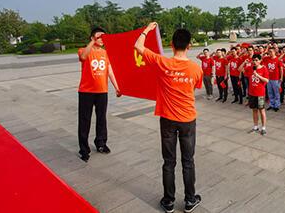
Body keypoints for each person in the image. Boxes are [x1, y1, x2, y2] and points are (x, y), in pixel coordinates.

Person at [135, 23, 203, 213]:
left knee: (169, 161)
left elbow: (138, 47)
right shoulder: (196, 69)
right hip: (188, 120)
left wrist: (147, 30)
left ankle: (169, 201)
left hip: (167, 119)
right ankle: (190, 200)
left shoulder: (162, 62)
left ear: (171, 45)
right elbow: (196, 87)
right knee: (188, 161)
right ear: (189, 46)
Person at [77, 27, 121, 162]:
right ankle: (84, 149)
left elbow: (109, 70)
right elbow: (83, 56)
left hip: (102, 91)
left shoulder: (104, 53)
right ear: (92, 38)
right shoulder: (84, 50)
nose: (102, 39)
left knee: (102, 119)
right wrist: (92, 42)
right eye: (98, 37)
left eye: (103, 37)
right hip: (86, 92)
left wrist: (117, 87)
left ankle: (101, 143)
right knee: (85, 120)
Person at [247, 54, 270, 135]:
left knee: (262, 110)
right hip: (251, 93)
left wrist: (258, 75)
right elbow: (239, 70)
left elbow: (267, 80)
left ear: (260, 60)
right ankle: (255, 126)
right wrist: (245, 63)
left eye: (256, 60)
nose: (255, 61)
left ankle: (263, 127)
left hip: (260, 94)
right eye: (253, 60)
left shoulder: (264, 69)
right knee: (254, 110)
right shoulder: (250, 68)